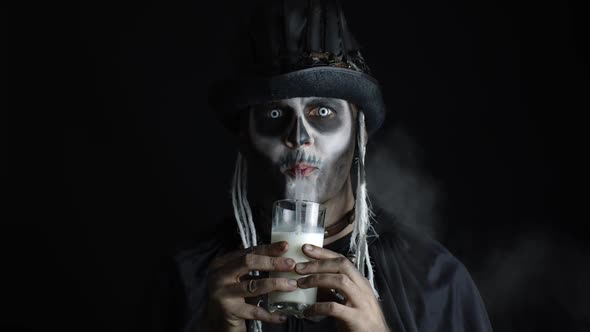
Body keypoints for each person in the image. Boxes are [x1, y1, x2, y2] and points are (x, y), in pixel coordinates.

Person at [146, 1, 493, 331]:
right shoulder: (188, 279)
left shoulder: (436, 283)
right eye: (274, 113)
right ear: (244, 137)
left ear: (360, 134)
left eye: (323, 112)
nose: (298, 137)